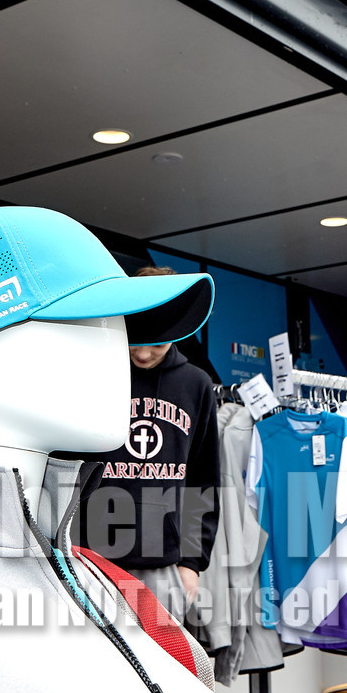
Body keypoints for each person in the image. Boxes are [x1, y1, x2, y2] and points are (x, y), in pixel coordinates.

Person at [74, 265, 221, 623]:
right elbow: (69, 463)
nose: (142, 355)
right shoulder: (95, 376)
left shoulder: (196, 385)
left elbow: (203, 479)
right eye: (135, 342)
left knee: (163, 671)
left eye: (156, 344)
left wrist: (191, 562)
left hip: (164, 563)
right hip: (93, 558)